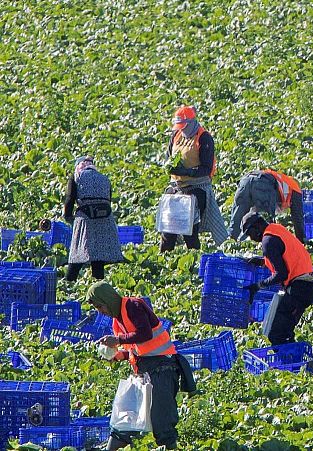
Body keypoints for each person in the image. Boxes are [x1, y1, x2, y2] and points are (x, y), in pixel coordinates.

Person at [87, 281, 194, 450]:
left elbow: (145, 333)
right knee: (127, 413)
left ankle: (170, 447)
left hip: (163, 369)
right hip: (143, 372)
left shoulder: (132, 306)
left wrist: (118, 340)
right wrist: (116, 356)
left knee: (162, 419)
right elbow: (135, 349)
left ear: (108, 299)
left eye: (101, 307)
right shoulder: (117, 321)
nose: (101, 312)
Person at [240, 211, 313, 345]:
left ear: (257, 227)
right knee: (284, 332)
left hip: (300, 288)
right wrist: (262, 261)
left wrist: (258, 286)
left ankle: (289, 363)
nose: (251, 238)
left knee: (277, 335)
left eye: (250, 233)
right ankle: (293, 360)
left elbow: (281, 274)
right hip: (306, 286)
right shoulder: (276, 229)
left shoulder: (267, 241)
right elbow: (285, 256)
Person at [160, 105, 228, 252]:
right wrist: (171, 168)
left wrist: (188, 172)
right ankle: (164, 257)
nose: (181, 129)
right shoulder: (176, 135)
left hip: (197, 187)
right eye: (179, 126)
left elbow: (206, 168)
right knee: (168, 228)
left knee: (189, 228)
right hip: (177, 186)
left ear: (191, 122)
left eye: (184, 126)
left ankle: (194, 258)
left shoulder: (204, 137)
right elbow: (167, 157)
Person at [63, 156, 124, 281]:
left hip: (85, 218)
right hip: (105, 218)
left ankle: (69, 281)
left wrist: (68, 216)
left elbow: (70, 199)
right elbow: (108, 200)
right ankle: (98, 282)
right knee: (98, 255)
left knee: (78, 252)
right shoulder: (104, 178)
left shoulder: (76, 177)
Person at [229, 169, 306, 243]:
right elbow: (297, 218)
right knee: (263, 224)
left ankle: (229, 245)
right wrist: (302, 241)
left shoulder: (282, 180)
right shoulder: (295, 187)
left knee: (236, 219)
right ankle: (263, 250)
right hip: (263, 184)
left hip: (245, 181)